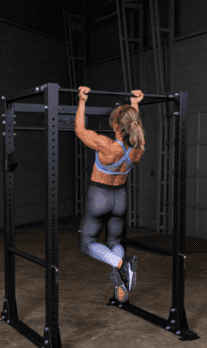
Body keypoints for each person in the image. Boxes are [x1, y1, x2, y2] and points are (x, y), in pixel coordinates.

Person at [75, 86, 146, 303]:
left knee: (87, 243)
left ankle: (121, 265)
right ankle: (121, 281)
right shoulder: (138, 146)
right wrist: (135, 105)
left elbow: (79, 130)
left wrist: (82, 101)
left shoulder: (107, 146)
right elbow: (135, 124)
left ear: (115, 125)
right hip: (120, 198)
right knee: (115, 239)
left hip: (100, 196)